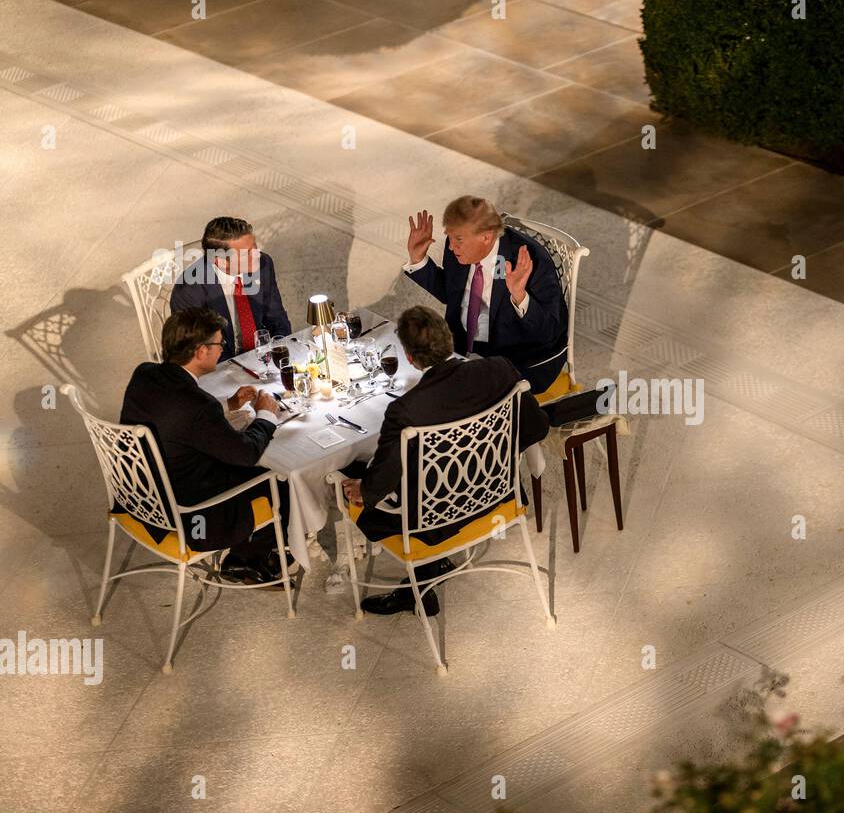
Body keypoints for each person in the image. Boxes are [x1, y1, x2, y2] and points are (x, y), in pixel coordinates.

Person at [339, 306, 549, 616]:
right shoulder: (499, 370)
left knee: (348, 471)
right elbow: (537, 426)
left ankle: (422, 576)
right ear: (448, 336)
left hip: (432, 525)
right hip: (498, 498)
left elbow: (378, 485)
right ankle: (425, 578)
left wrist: (362, 491)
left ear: (410, 358)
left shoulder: (406, 410)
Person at [120, 307, 292, 585]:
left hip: (138, 495)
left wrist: (228, 405)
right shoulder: (198, 406)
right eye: (218, 343)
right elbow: (246, 453)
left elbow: (175, 420)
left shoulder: (145, 374)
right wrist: (266, 414)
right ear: (200, 351)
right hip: (187, 513)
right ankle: (247, 559)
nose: (222, 348)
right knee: (281, 477)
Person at [403, 196, 568, 395]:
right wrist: (418, 259)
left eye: (458, 240)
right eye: (450, 237)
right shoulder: (458, 248)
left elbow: (548, 332)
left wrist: (520, 296)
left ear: (486, 237)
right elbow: (452, 294)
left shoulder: (530, 260)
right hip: (463, 351)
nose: (451, 246)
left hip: (518, 361)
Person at [171, 216, 292, 361]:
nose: (257, 255)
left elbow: (276, 317)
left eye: (255, 246)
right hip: (219, 364)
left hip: (261, 355)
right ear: (221, 262)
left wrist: (281, 352)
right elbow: (198, 350)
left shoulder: (263, 264)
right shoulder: (189, 291)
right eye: (247, 253)